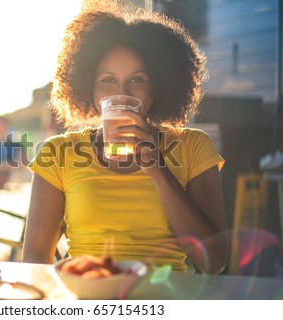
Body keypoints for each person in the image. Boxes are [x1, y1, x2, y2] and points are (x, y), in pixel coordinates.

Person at [22, 2, 229, 274]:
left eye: (138, 79)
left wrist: (158, 170)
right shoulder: (58, 153)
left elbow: (214, 262)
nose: (122, 94)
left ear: (159, 85)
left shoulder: (193, 147)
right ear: (88, 87)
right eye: (108, 80)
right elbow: (35, 262)